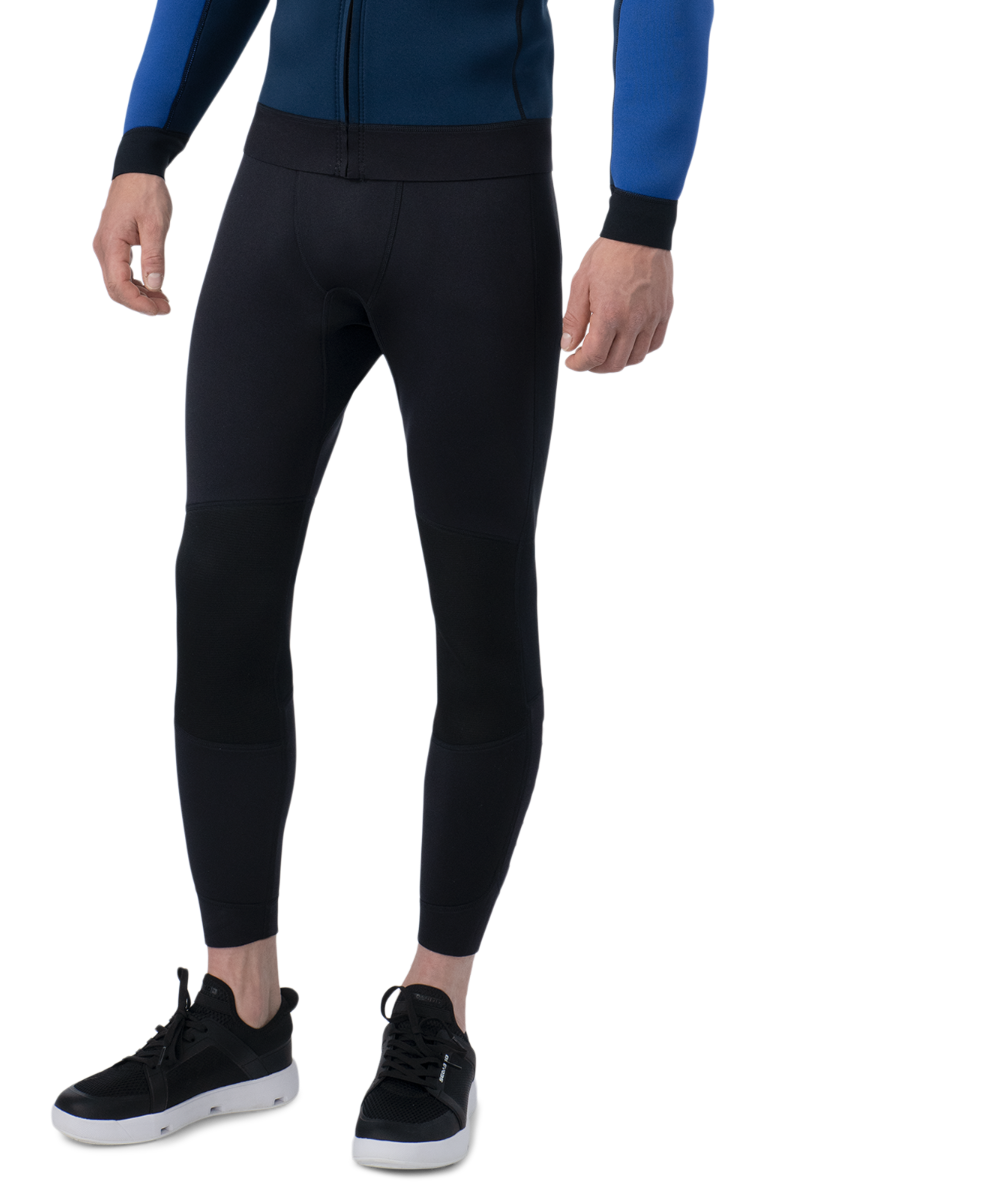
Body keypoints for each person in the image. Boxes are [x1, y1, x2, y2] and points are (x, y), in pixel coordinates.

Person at [52, 0, 714, 1168]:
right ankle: (239, 1013)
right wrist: (145, 145)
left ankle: (436, 1007)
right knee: (219, 584)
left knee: (479, 598)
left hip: (476, 200)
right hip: (283, 187)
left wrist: (642, 217)